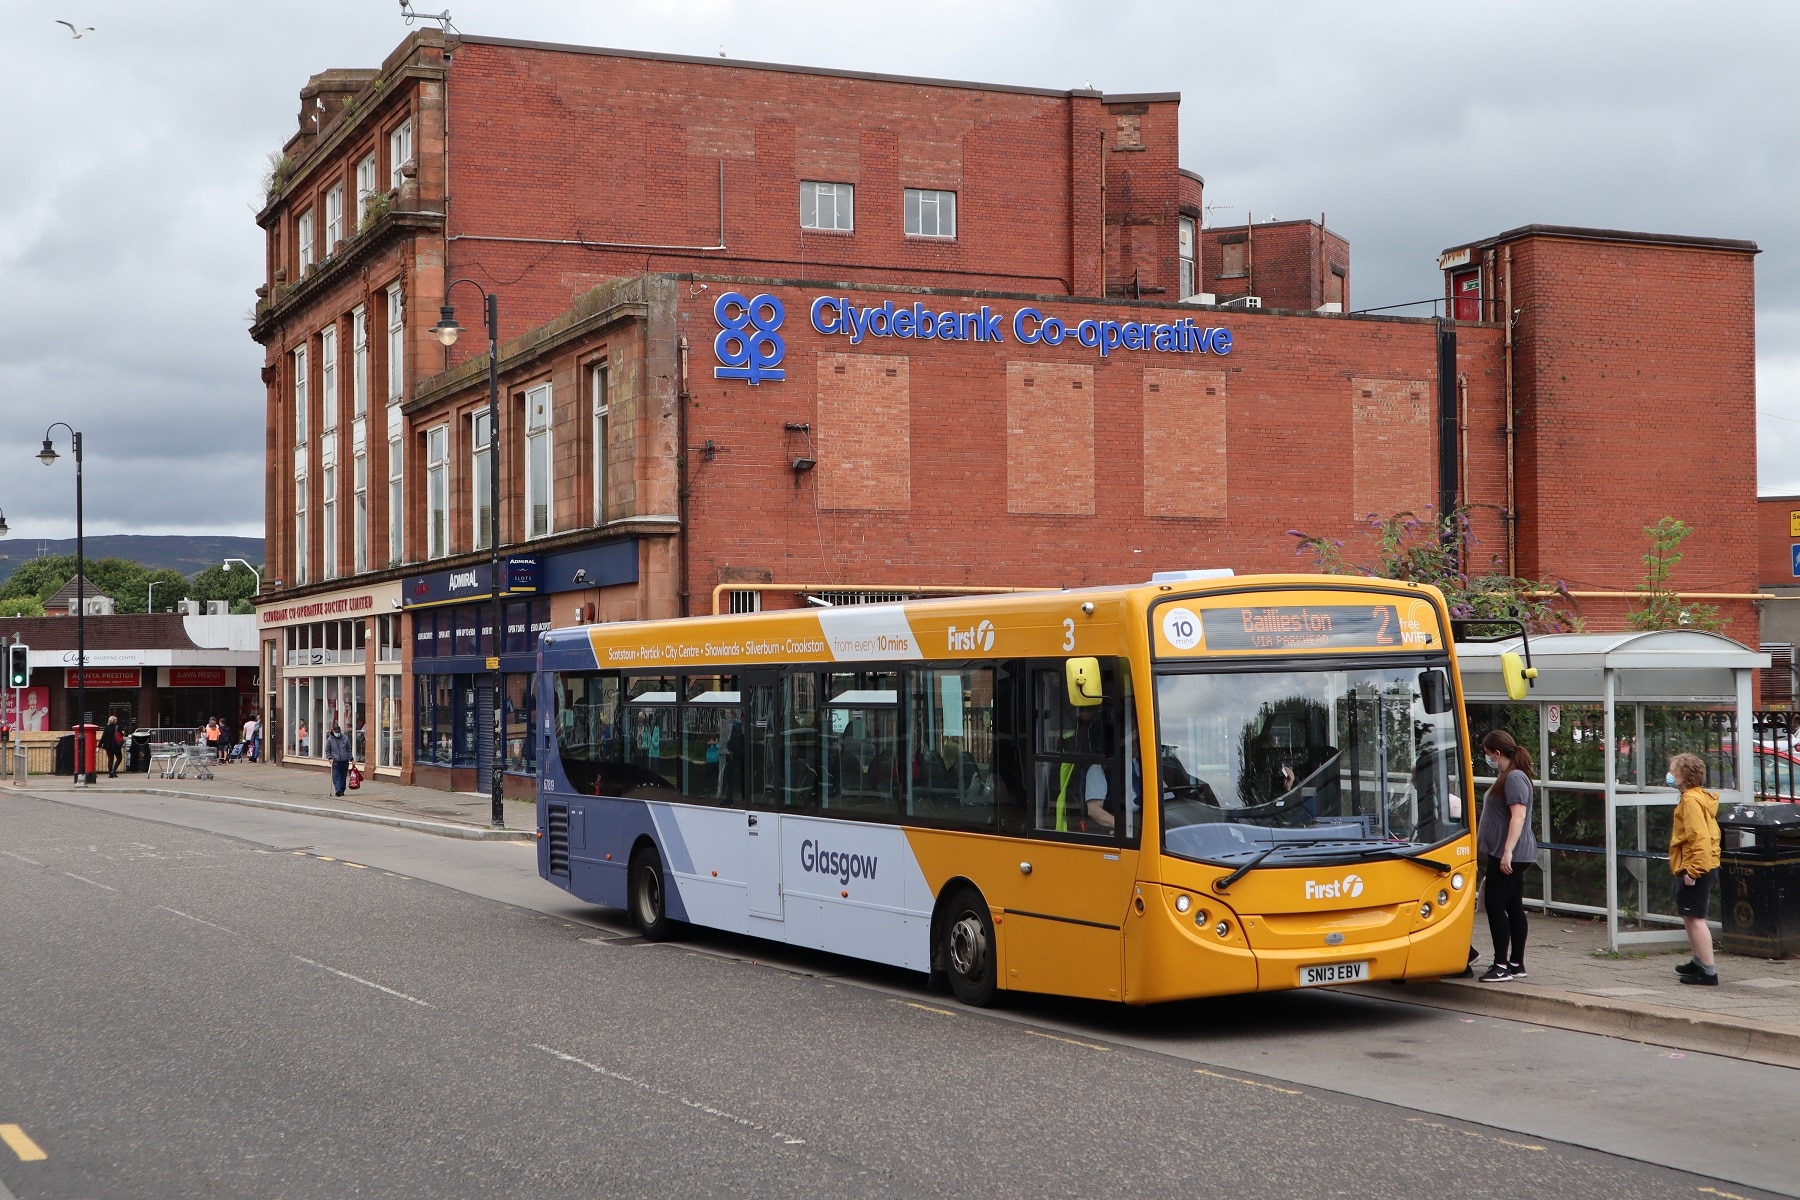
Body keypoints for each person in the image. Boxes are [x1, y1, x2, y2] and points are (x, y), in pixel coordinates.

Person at [1476, 729, 1539, 982]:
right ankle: (1516, 963)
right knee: (1512, 905)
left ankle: (1500, 965)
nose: (1488, 758)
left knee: (1494, 904)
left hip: (1509, 851)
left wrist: (1507, 852)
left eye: (1488, 754)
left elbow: (1519, 816)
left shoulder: (1513, 778)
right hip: (1510, 851)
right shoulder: (1510, 776)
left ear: (1497, 753)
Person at [1667, 752, 1723, 985]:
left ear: (1683, 776)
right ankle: (1698, 960)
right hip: (1697, 865)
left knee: (1696, 917)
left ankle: (1708, 971)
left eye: (1673, 771)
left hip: (1696, 867)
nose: (1670, 775)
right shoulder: (1695, 797)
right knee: (1688, 915)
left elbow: (1699, 837)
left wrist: (1693, 871)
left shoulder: (1690, 800)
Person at [324, 721, 353, 796]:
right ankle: (338, 790)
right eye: (336, 732)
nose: (337, 733)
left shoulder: (345, 738)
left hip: (344, 761)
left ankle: (342, 789)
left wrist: (351, 759)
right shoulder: (330, 740)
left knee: (343, 776)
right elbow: (327, 750)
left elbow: (349, 749)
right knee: (336, 777)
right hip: (335, 761)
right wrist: (330, 758)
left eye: (338, 732)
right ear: (333, 731)